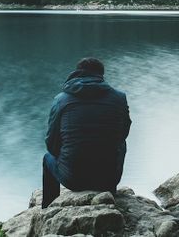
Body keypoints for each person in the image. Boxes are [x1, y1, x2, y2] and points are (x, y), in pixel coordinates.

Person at [42, 57, 132, 208]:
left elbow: (51, 143)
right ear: (101, 75)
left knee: (48, 158)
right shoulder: (119, 98)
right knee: (121, 144)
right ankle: (109, 194)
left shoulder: (61, 100)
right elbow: (123, 133)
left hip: (73, 179)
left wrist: (67, 157)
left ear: (77, 73)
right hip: (108, 179)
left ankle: (49, 209)